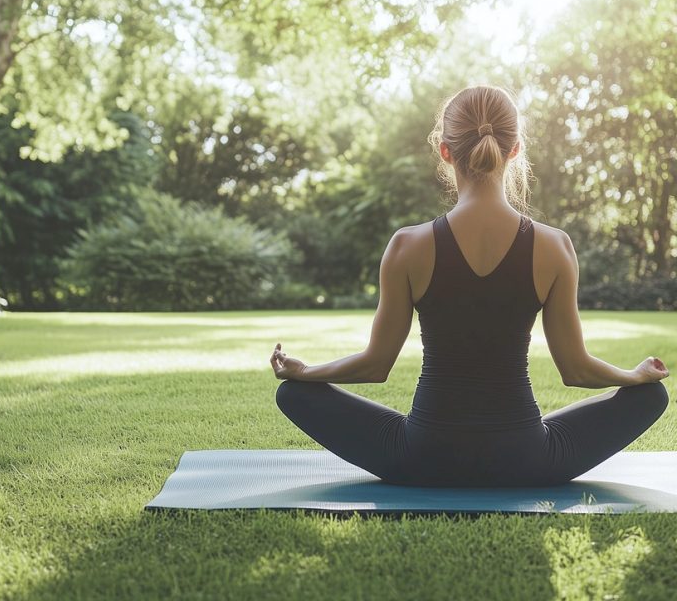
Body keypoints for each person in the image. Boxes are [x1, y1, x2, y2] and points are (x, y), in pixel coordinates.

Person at [270, 85, 670, 487]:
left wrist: (306, 372)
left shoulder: (407, 246)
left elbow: (376, 366)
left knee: (293, 394)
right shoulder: (555, 246)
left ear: (445, 152)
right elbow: (576, 369)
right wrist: (634, 377)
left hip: (422, 457)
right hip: (527, 459)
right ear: (514, 150)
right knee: (651, 397)